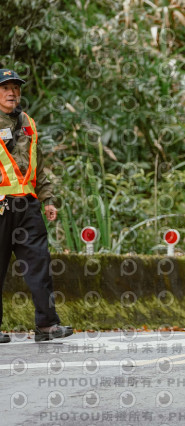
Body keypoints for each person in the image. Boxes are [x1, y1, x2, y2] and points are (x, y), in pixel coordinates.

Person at [0, 69, 73, 343]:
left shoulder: (28, 123)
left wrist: (47, 199)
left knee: (39, 264)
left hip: (28, 207)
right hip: (1, 207)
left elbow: (37, 165)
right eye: (5, 88)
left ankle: (47, 325)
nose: (12, 93)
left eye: (15, 88)